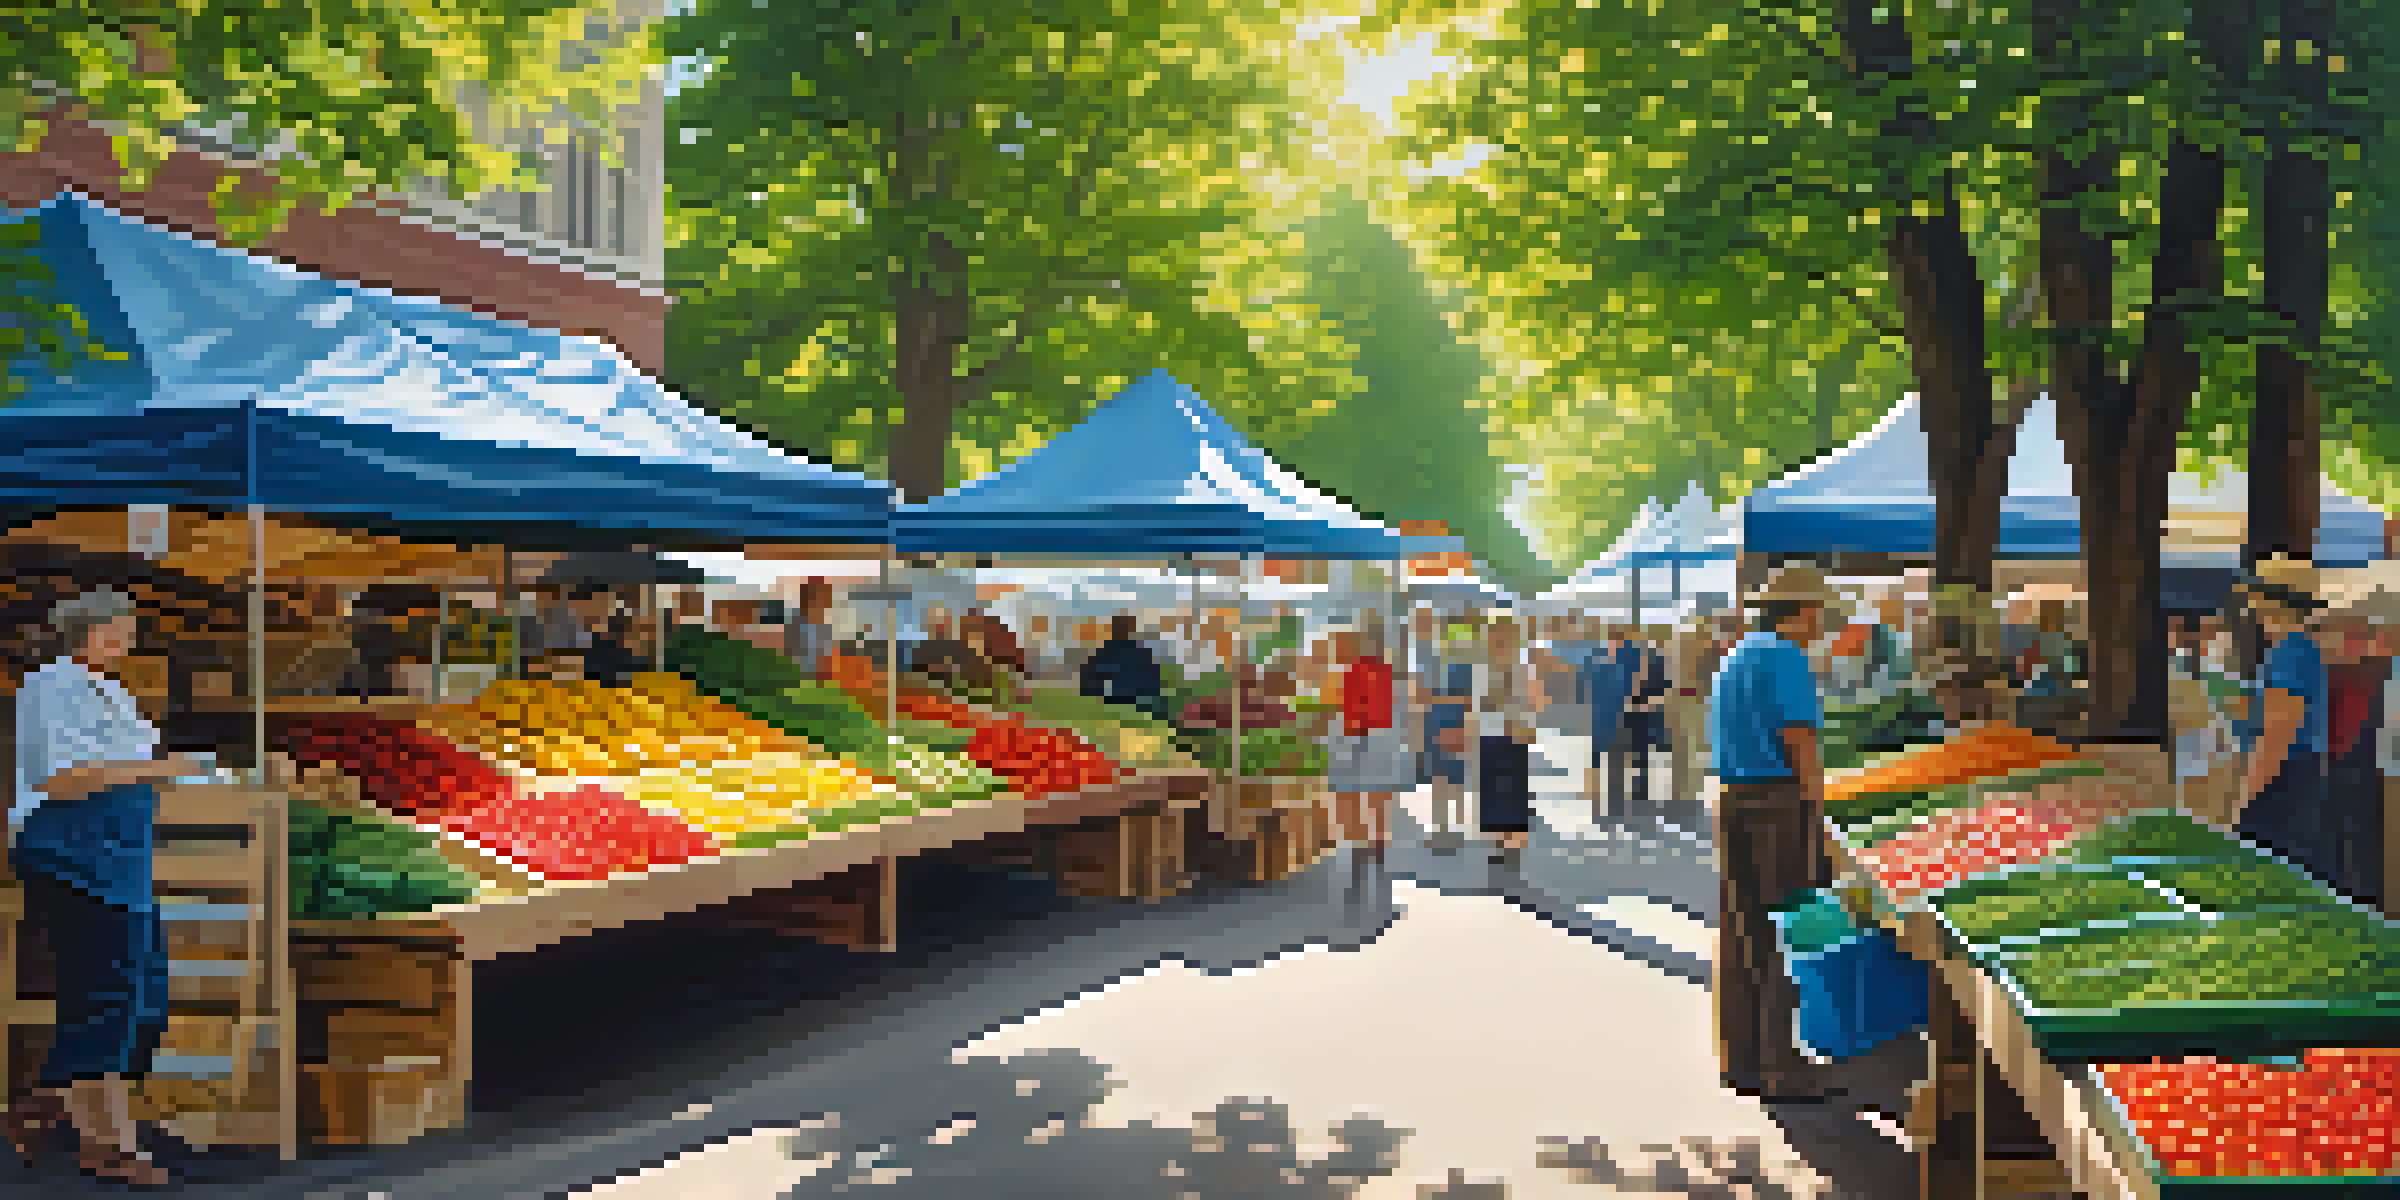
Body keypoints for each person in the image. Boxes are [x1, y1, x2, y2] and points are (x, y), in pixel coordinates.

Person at [7, 589, 210, 1185]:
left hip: (120, 860)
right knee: (105, 994)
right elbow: (66, 778)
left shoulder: (108, 689)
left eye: (127, 631)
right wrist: (168, 768)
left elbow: (122, 761)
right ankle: (108, 1144)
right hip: (74, 855)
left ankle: (45, 1107)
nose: (125, 641)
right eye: (115, 631)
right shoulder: (51, 685)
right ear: (84, 632)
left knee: (142, 996)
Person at [1708, 567, 1839, 1104]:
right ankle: (1781, 1066)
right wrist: (1820, 809)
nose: (1822, 622)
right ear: (1801, 610)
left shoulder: (1739, 652)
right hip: (1776, 806)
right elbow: (1799, 739)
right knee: (1788, 930)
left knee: (1743, 931)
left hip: (1735, 800)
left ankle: (1742, 1058)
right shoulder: (1787, 655)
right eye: (1819, 611)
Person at [2236, 559, 2337, 886]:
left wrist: (2244, 796)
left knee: (2270, 879)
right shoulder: (2300, 649)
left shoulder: (2287, 652)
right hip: (2298, 773)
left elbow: (2279, 733)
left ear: (2274, 602)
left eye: (2257, 595)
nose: (2252, 604)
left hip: (2284, 777)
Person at [1326, 625, 1409, 855]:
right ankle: (1377, 839)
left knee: (1357, 789)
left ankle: (1361, 839)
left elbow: (1348, 708)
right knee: (1378, 791)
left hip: (1360, 735)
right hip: (1381, 737)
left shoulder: (1353, 671)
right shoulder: (1390, 673)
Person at [1476, 617, 1540, 865]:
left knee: (1512, 790)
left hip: (1514, 735)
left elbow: (1531, 701)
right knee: (1492, 790)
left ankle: (1512, 843)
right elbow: (1479, 703)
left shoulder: (1521, 668)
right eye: (1494, 635)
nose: (1497, 640)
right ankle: (1498, 840)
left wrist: (1527, 725)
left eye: (1502, 635)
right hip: (1490, 734)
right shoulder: (1484, 668)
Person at [1081, 614, 1164, 711]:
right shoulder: (1142, 653)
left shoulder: (1106, 651)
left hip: (1117, 701)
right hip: (1134, 702)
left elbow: (1090, 677)